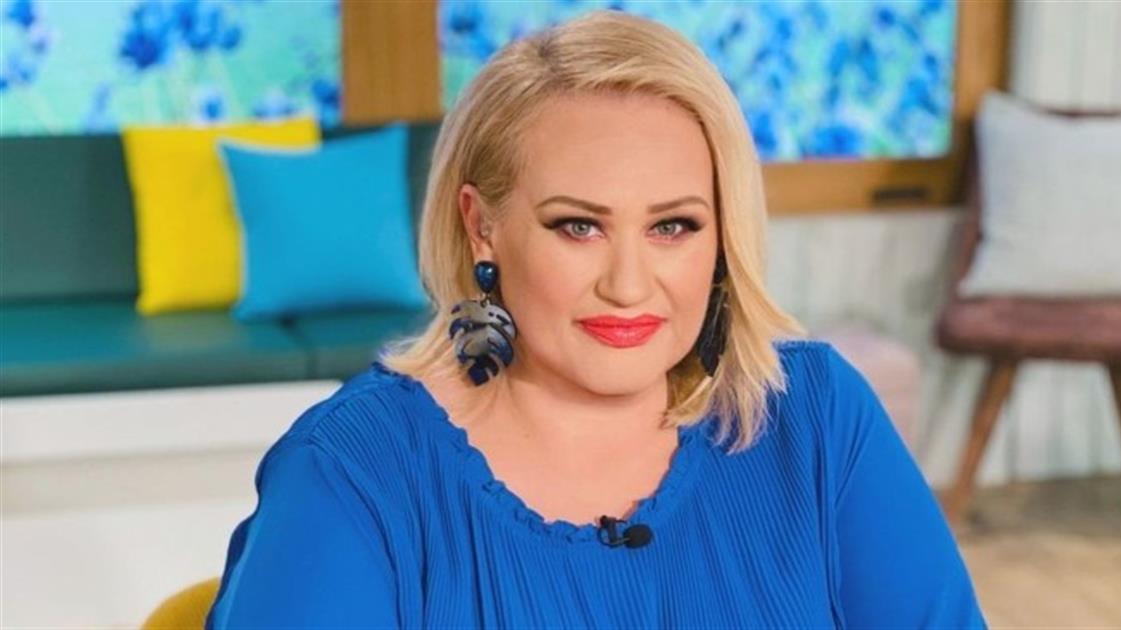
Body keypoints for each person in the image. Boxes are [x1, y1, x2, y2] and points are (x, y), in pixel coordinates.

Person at [206, 10, 985, 629]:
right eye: (578, 226)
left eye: (673, 226)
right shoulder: (352, 471)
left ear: (723, 236)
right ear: (482, 227)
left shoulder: (813, 418)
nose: (628, 283)